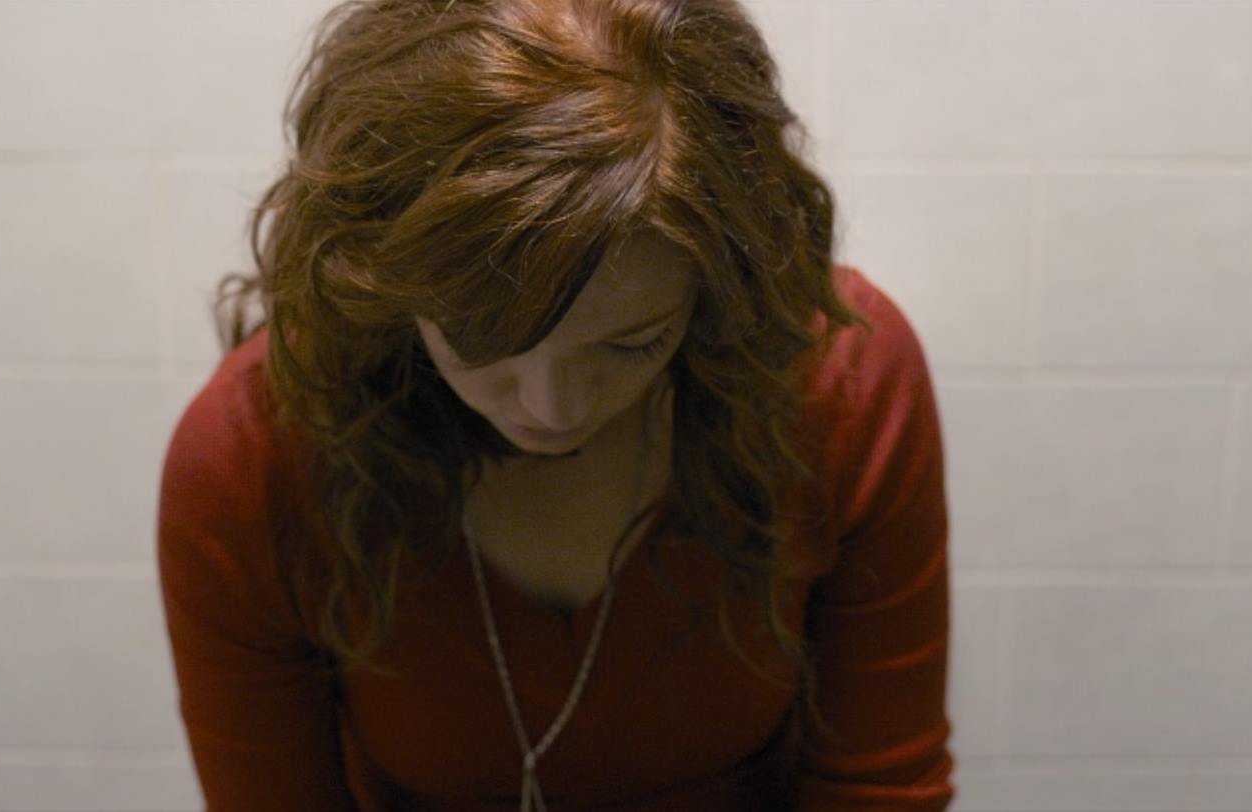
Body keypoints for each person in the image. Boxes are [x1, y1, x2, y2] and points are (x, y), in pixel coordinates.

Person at [155, 0, 954, 808]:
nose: (554, 407)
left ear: (717, 287)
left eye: (633, 342)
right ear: (384, 275)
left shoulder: (839, 383)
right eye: (482, 336)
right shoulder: (255, 452)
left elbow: (880, 787)